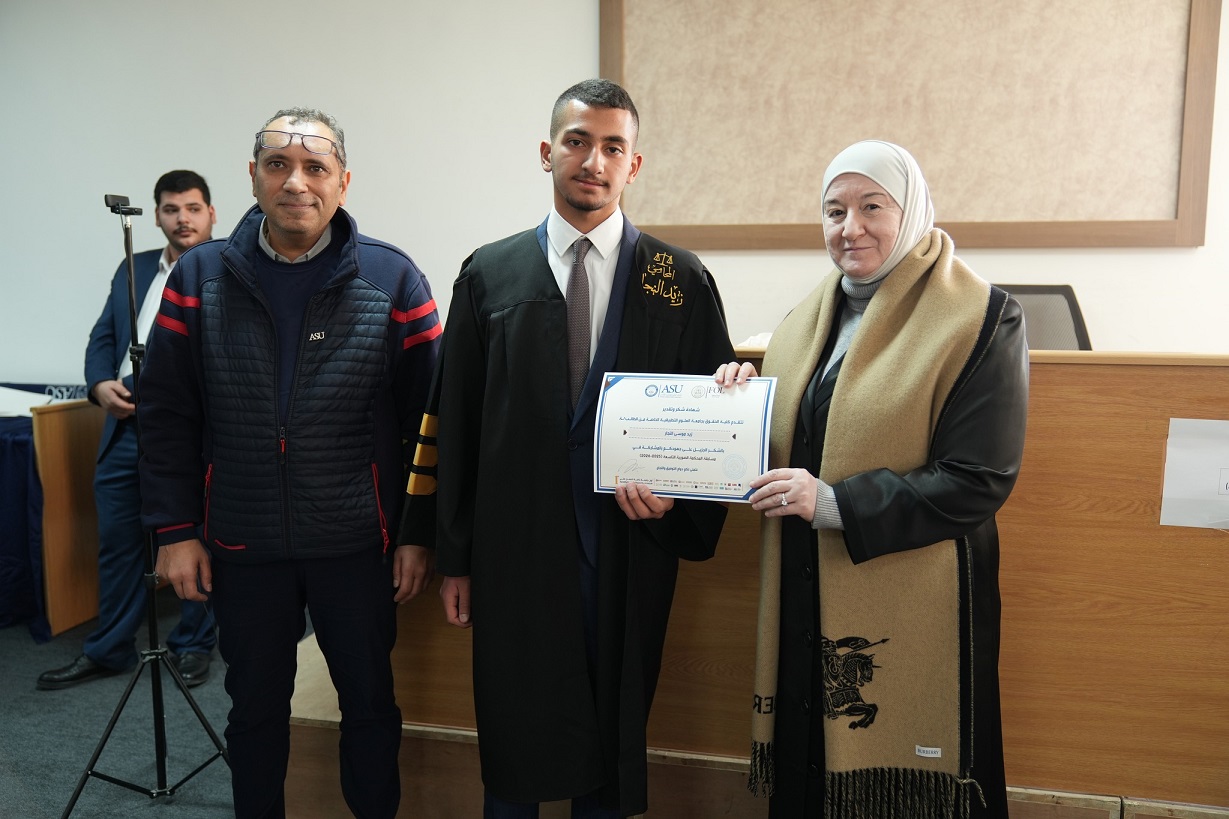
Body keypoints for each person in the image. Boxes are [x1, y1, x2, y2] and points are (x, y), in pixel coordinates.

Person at [397, 79, 736, 818]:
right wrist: (454, 555)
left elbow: (711, 430)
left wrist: (679, 494)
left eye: (613, 147)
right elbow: (452, 421)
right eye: (577, 142)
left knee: (612, 731)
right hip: (514, 550)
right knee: (515, 730)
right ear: (548, 152)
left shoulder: (677, 280)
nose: (593, 161)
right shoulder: (489, 274)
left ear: (633, 164)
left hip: (628, 546)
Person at [137, 108, 441, 818]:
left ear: (343, 181)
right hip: (243, 541)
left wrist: (418, 532)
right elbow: (166, 413)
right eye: (278, 165)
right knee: (254, 710)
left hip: (357, 544)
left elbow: (429, 424)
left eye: (315, 167)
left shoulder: (393, 278)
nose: (296, 181)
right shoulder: (198, 277)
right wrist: (175, 531)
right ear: (253, 176)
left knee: (369, 703)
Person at [716, 140, 1028, 818]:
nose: (849, 228)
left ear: (909, 210)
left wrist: (834, 502)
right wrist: (741, 402)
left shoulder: (981, 318)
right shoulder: (804, 322)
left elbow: (978, 479)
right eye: (834, 211)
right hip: (809, 592)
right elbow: (800, 439)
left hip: (913, 599)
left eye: (872, 207)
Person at [38, 170, 219, 691]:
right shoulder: (133, 266)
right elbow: (103, 336)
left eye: (192, 208)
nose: (182, 218)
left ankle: (194, 644)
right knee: (119, 543)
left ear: (211, 214)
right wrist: (99, 384)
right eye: (171, 209)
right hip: (123, 428)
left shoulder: (224, 267)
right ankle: (109, 649)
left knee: (194, 539)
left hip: (187, 431)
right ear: (157, 215)